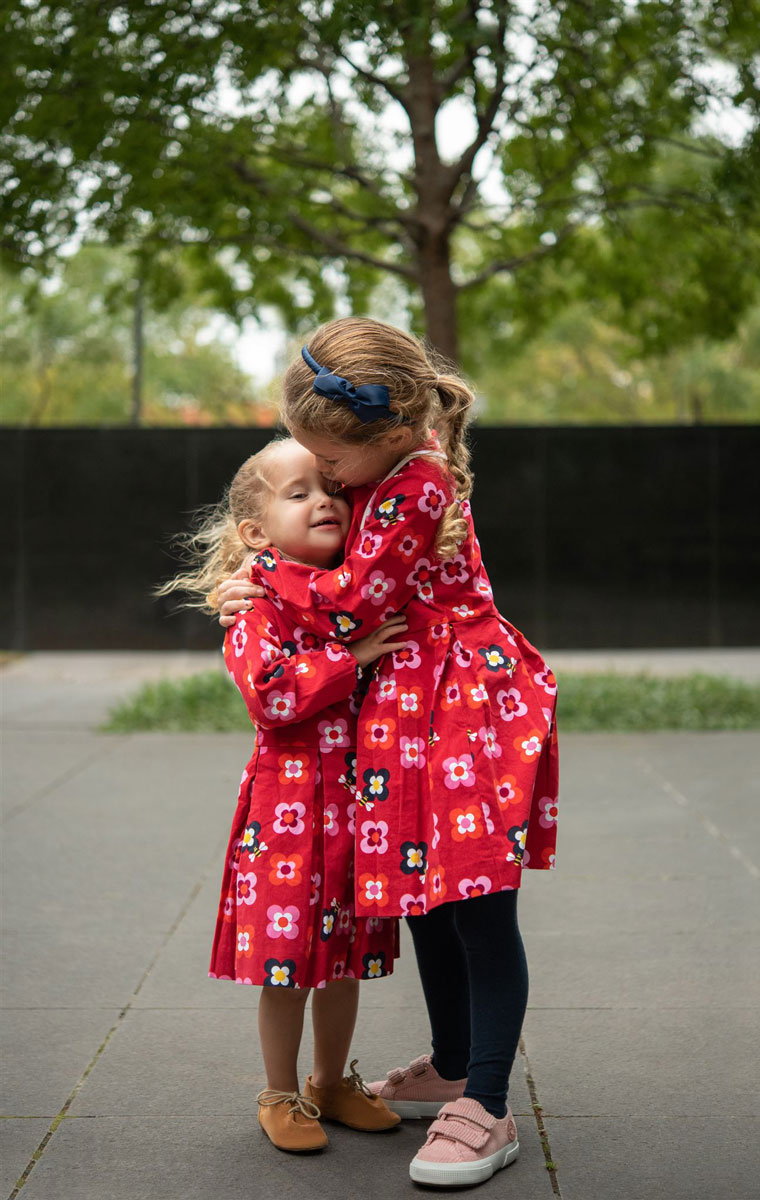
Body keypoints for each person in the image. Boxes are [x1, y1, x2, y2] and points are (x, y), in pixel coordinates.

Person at [218, 316, 559, 1188]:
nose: (326, 480)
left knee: (477, 899)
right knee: (424, 896)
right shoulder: (393, 453)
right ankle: (452, 1058)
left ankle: (485, 1102)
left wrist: (260, 573)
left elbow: (351, 601)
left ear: (390, 435)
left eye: (330, 463)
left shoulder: (416, 483)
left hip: (459, 706)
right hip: (406, 702)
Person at [160, 437, 407, 1153]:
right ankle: (280, 1091)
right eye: (298, 493)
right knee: (288, 962)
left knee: (345, 960)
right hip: (290, 816)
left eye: (329, 489)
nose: (324, 500)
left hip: (354, 810)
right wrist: (350, 657)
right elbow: (270, 698)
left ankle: (330, 1082)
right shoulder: (258, 612)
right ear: (254, 533)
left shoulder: (353, 595)